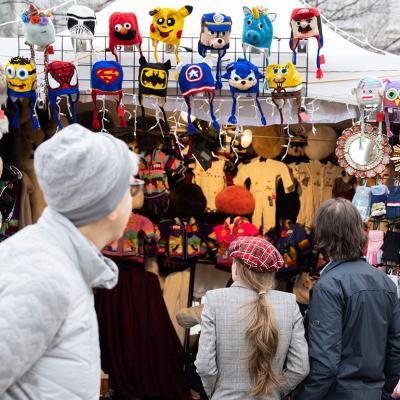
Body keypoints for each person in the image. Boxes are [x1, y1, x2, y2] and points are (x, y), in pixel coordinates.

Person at [0, 124, 142, 400]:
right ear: (110, 202)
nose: (133, 198)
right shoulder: (45, 274)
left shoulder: (57, 262)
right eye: (131, 187)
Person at [295, 198, 400, 400]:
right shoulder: (385, 282)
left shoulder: (329, 285)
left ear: (323, 234)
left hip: (337, 393)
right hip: (373, 392)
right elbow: (395, 348)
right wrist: (385, 393)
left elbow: (325, 362)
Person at [195, 236, 310, 399]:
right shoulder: (289, 303)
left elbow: (205, 366)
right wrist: (276, 391)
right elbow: (300, 368)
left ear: (237, 267)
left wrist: (216, 393)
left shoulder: (215, 299)